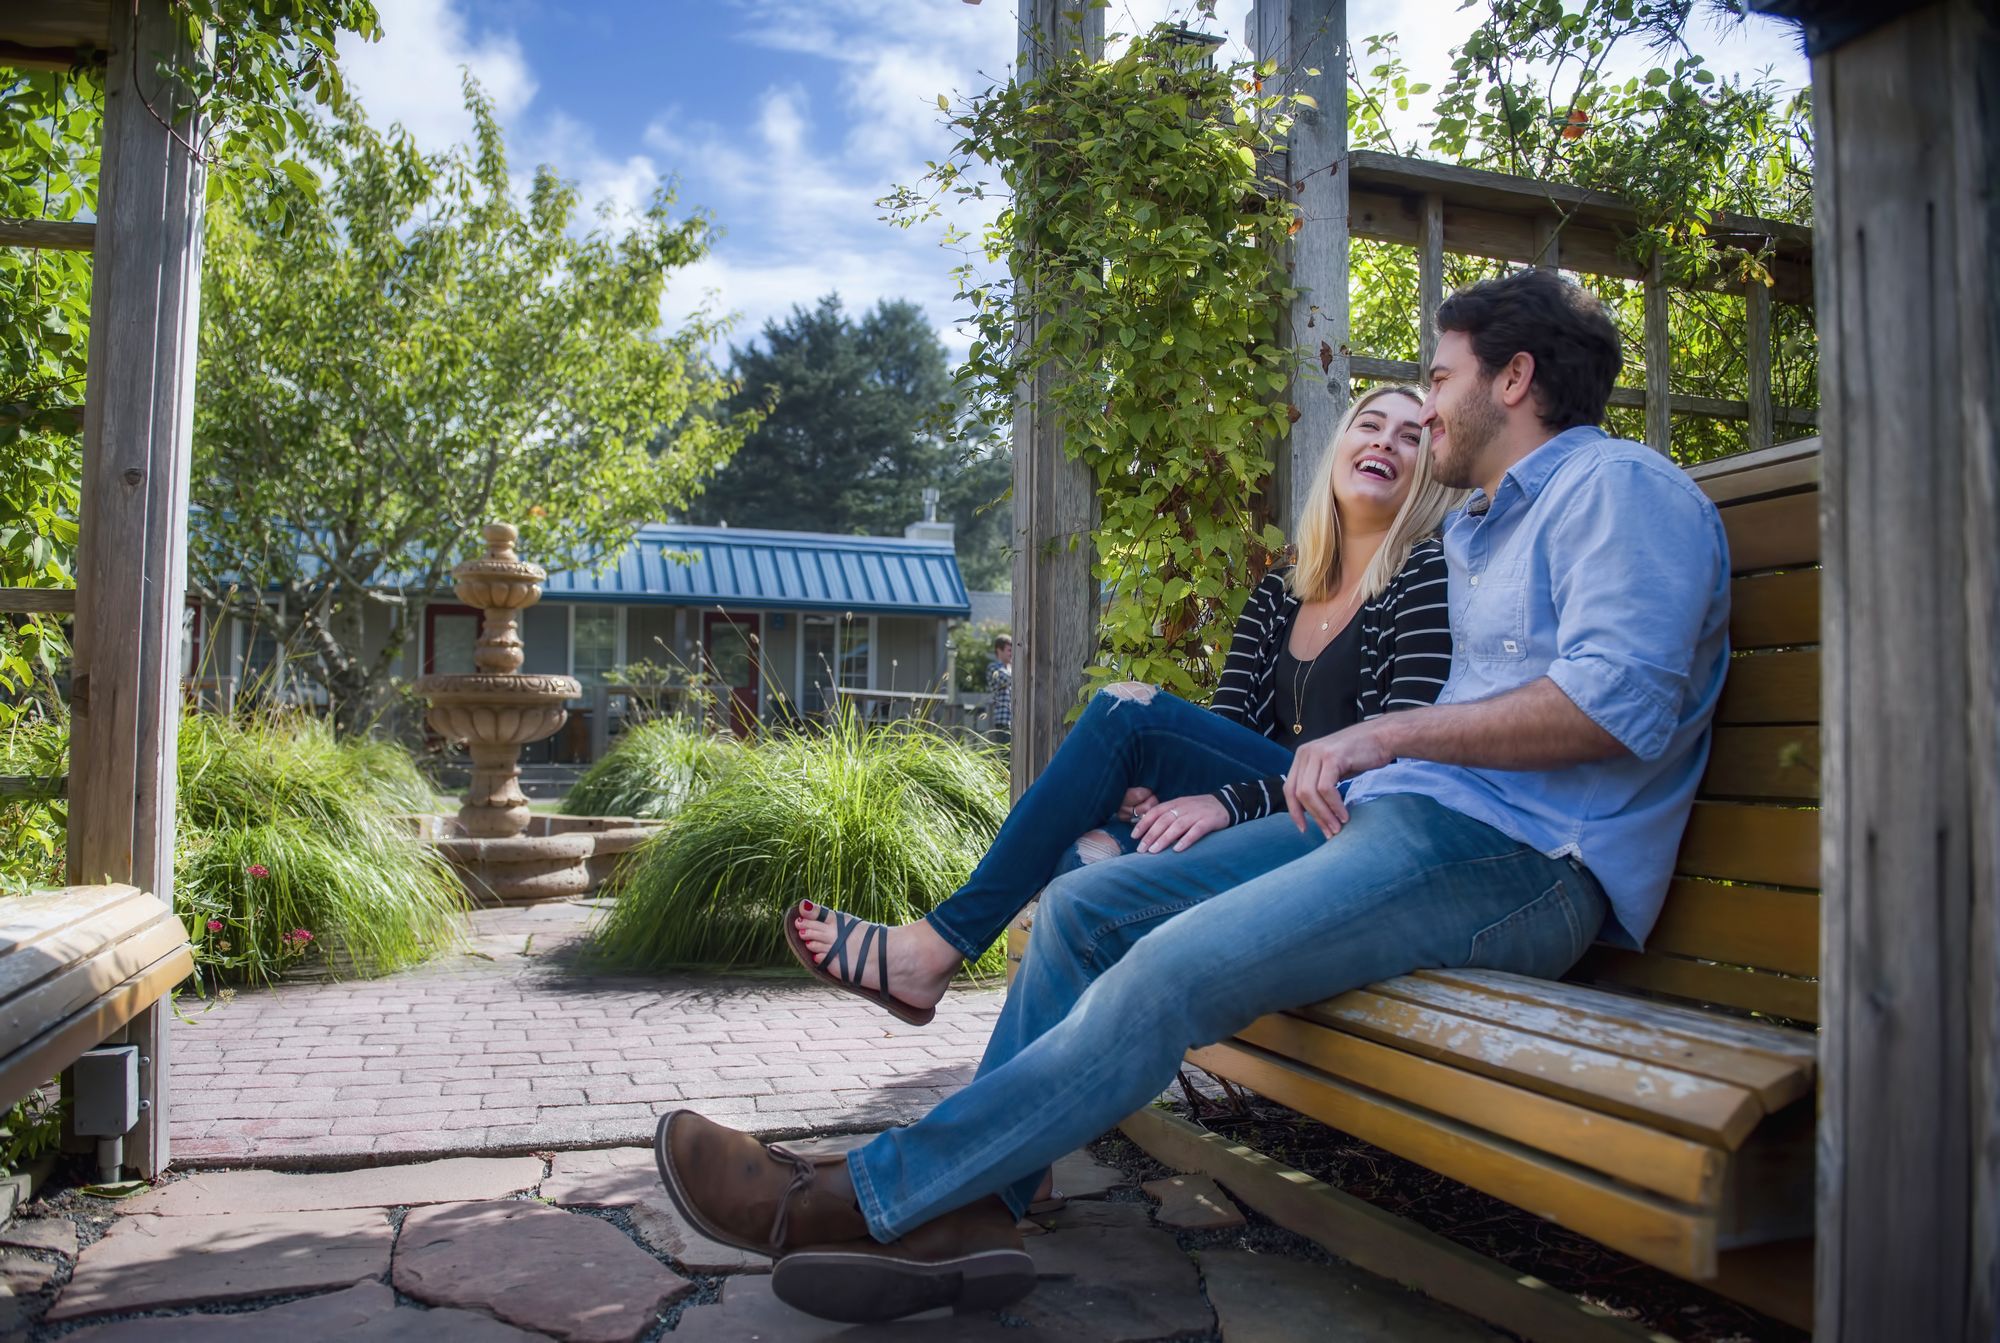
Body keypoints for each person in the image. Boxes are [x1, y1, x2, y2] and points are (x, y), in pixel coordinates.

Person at [652, 267, 1734, 1324]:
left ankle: (847, 1197)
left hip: (1523, 859)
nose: (1426, 407)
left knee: (1167, 964)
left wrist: (1379, 733)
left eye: (1439, 378)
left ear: (1513, 377)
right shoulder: (1483, 527)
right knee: (1086, 908)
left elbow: (1614, 708)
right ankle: (974, 1212)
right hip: (1409, 823)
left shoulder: (1620, 488)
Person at [785, 384, 1458, 1026]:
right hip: (1261, 802)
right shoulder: (1282, 588)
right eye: (1369, 426)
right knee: (1086, 862)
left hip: (1335, 826)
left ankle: (936, 948)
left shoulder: (1423, 575)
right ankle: (1023, 1121)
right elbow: (1224, 735)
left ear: (1424, 474)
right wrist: (1176, 789)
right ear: (1340, 447)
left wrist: (1224, 803)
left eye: (1409, 438)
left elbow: (1389, 757)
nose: (1386, 443)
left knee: (1125, 707)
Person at [985, 635, 1013, 747]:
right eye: (1009, 650)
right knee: (1005, 757)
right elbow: (1008, 678)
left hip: (1014, 721)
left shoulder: (1011, 668)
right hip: (1002, 721)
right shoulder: (993, 667)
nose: (1011, 653)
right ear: (999, 650)